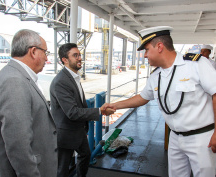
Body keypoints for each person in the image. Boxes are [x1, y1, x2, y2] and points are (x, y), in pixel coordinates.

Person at [103, 26, 216, 177]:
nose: (145, 55)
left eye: (147, 50)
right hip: (175, 137)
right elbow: (142, 98)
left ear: (160, 47)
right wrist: (115, 105)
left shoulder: (196, 64)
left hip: (201, 138)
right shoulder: (156, 75)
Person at [0, 29, 58, 177]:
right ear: (33, 51)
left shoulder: (16, 76)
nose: (47, 59)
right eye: (45, 53)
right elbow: (18, 144)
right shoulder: (14, 82)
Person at [50, 43, 115, 177]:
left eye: (79, 55)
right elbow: (72, 112)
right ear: (65, 60)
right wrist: (99, 111)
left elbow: (79, 104)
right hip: (65, 134)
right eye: (75, 55)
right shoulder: (61, 81)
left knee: (85, 155)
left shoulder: (74, 77)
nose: (80, 58)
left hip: (78, 130)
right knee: (62, 168)